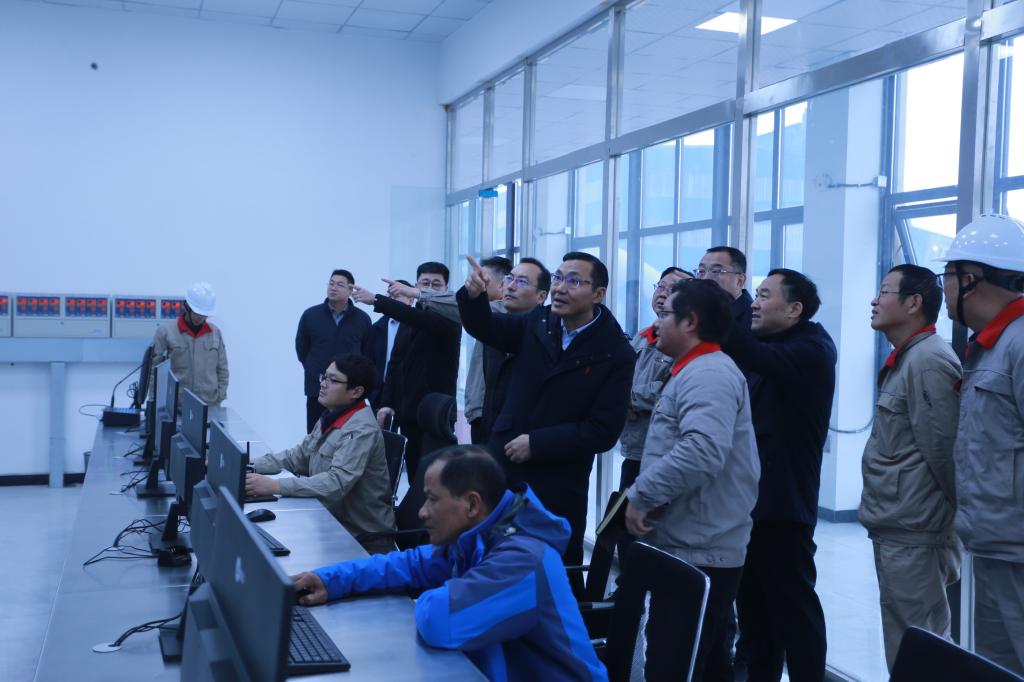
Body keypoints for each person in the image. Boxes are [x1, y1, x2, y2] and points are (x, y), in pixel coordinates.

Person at [291, 445, 608, 682]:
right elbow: (410, 564)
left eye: (432, 499)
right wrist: (331, 579)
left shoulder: (523, 562)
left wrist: (440, 593)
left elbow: (440, 620)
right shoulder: (479, 536)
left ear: (471, 504)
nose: (422, 512)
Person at [457, 251, 634, 595]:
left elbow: (603, 431)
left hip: (558, 481)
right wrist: (473, 297)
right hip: (505, 466)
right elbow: (486, 327)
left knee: (550, 575)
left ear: (598, 294)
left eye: (574, 281)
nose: (560, 288)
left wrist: (537, 444)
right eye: (558, 278)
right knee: (493, 563)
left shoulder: (615, 351)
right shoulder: (537, 321)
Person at [625, 278, 760, 682]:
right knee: (703, 664)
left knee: (675, 664)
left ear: (690, 322)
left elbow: (702, 450)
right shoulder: (693, 370)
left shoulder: (709, 374)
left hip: (700, 549)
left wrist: (642, 495)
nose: (657, 322)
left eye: (666, 314)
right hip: (692, 541)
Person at [723, 268, 836, 682]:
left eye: (764, 296)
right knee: (754, 612)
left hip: (784, 506)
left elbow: (750, 352)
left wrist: (710, 311)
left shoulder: (813, 348)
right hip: (750, 502)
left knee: (794, 612)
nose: (754, 303)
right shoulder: (769, 343)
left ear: (794, 309)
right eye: (755, 294)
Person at [859, 264, 962, 671]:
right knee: (907, 640)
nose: (874, 300)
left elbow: (946, 453)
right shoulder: (911, 358)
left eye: (884, 291)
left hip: (917, 532)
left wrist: (952, 528)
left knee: (921, 645)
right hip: (901, 527)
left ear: (914, 302)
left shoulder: (929, 361)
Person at [938, 213, 1024, 675]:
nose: (944, 288)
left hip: (1018, 550)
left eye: (947, 275)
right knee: (997, 668)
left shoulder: (1019, 343)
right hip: (995, 544)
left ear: (969, 279)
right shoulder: (992, 344)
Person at [245, 353, 396, 554]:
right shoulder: (332, 416)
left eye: (333, 380)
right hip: (329, 521)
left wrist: (275, 486)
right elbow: (298, 457)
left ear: (356, 391)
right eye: (324, 376)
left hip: (362, 540)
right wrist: (247, 464)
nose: (323, 384)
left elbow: (336, 482)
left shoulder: (361, 430)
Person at [352, 262, 461, 484]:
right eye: (425, 283)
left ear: (446, 289)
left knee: (435, 479)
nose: (429, 288)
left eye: (436, 284)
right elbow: (395, 364)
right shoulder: (410, 317)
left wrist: (376, 300)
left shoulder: (451, 316)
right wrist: (387, 403)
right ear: (416, 285)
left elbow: (420, 319)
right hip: (409, 411)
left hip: (436, 413)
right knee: (413, 475)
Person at [617, 266, 690, 569]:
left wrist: (627, 398)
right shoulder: (642, 336)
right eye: (661, 286)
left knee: (651, 533)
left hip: (661, 453)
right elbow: (621, 378)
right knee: (625, 530)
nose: (663, 293)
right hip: (634, 448)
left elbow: (668, 389)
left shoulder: (681, 343)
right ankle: (627, 587)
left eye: (673, 289)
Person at [474, 257, 551, 445]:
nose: (510, 286)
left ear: (541, 297)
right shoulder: (494, 328)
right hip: (488, 429)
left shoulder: (548, 336)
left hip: (525, 442)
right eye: (509, 279)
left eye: (521, 282)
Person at [295, 269, 372, 433]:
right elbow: (302, 349)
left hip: (348, 391)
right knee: (316, 436)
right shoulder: (310, 315)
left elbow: (367, 353)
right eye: (331, 283)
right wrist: (313, 368)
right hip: (318, 389)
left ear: (350, 290)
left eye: (339, 285)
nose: (333, 288)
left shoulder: (362, 319)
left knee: (346, 436)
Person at [151, 281, 228, 406]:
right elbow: (154, 371)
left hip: (209, 405)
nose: (201, 318)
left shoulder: (215, 333)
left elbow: (222, 369)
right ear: (186, 306)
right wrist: (154, 403)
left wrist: (219, 397)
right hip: (177, 407)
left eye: (205, 315)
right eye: (198, 314)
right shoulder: (166, 333)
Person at [464, 256, 513, 444]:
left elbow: (459, 306)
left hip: (493, 414)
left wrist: (418, 293)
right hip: (479, 412)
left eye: (484, 280)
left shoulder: (500, 313)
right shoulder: (487, 315)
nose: (477, 283)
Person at [365, 278, 415, 411]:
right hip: (380, 394)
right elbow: (369, 362)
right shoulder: (377, 328)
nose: (391, 301)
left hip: (409, 393)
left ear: (411, 300)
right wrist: (373, 393)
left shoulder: (417, 328)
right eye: (389, 297)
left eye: (396, 296)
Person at [698, 246, 753, 331]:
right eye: (701, 271)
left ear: (739, 281)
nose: (705, 278)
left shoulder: (752, 318)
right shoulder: (700, 310)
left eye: (716, 271)